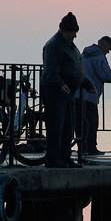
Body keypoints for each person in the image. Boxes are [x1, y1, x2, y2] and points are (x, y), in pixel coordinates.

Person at [40, 11, 90, 168]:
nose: (75, 36)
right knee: (56, 126)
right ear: (64, 30)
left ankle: (65, 157)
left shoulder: (69, 45)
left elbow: (76, 68)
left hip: (69, 93)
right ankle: (53, 159)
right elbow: (51, 70)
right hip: (55, 93)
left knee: (68, 126)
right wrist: (61, 84)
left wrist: (85, 82)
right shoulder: (53, 46)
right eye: (73, 32)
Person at [78, 35, 111, 155]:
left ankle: (82, 148)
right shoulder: (99, 57)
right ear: (104, 45)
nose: (107, 53)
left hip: (78, 94)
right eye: (108, 49)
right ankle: (91, 148)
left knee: (80, 123)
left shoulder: (83, 55)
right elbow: (106, 76)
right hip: (90, 95)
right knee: (92, 122)